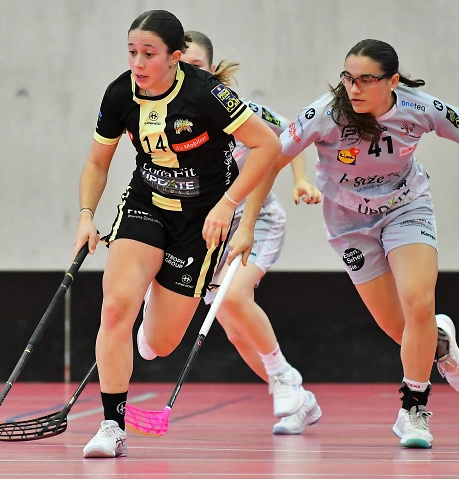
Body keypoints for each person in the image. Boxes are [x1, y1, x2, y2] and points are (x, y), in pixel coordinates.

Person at [229, 39, 459, 449]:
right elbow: (271, 161)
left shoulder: (419, 108)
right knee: (399, 326)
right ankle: (440, 343)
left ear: (392, 81)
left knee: (418, 301)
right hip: (349, 224)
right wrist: (247, 225)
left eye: (366, 79)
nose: (354, 88)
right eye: (347, 78)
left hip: (406, 207)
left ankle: (413, 411)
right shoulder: (325, 112)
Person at [74, 10, 281, 458]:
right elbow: (96, 162)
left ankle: (155, 296)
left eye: (149, 53)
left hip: (201, 220)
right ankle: (112, 426)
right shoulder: (120, 93)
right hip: (146, 204)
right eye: (132, 52)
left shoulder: (206, 93)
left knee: (162, 343)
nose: (138, 62)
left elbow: (269, 144)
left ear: (174, 56)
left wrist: (229, 205)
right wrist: (87, 216)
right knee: (115, 308)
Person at [135, 30, 323, 435]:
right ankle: (297, 397)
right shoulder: (165, 118)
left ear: (212, 69)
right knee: (236, 330)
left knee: (235, 297)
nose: (186, 73)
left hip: (255, 220)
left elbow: (291, 132)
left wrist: (300, 180)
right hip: (206, 230)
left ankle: (284, 377)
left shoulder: (240, 110)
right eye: (180, 65)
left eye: (196, 66)